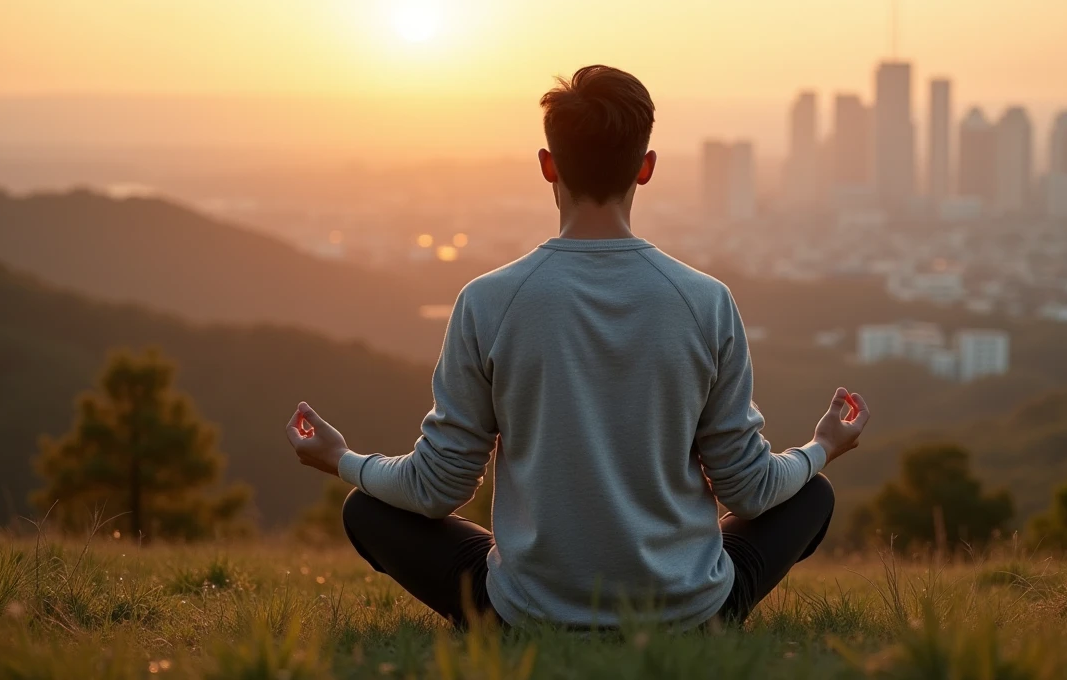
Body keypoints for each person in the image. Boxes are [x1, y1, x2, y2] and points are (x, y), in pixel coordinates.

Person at [284, 65, 871, 630]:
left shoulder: (488, 301)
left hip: (525, 613)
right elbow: (750, 489)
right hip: (689, 613)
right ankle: (683, 598)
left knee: (366, 509)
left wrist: (341, 459)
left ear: (547, 165)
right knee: (809, 494)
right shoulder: (705, 301)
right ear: (646, 168)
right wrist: (822, 446)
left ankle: (534, 592)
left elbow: (435, 491)